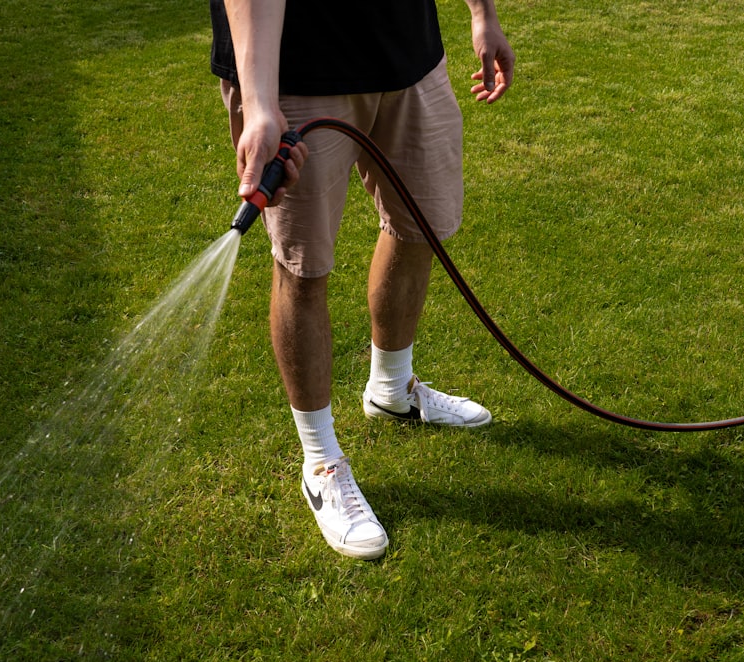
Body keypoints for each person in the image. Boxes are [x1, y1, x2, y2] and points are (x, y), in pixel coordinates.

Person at [209, 0, 515, 560]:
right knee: (304, 267)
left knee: (424, 224)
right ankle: (320, 460)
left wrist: (482, 13)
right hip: (295, 71)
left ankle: (392, 390)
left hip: (407, 52)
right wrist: (258, 104)